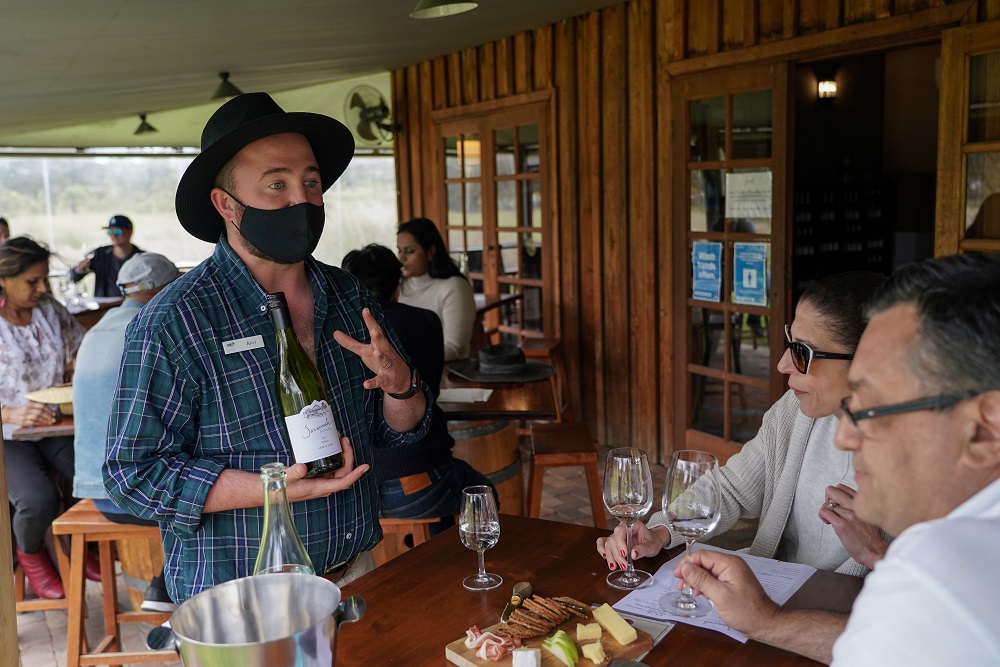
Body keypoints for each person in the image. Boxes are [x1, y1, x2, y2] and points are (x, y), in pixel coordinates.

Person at [103, 92, 432, 604]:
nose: (299, 199)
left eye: (311, 182)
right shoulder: (175, 321)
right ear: (226, 204)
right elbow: (134, 474)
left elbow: (395, 432)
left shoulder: (347, 296)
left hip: (356, 575)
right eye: (276, 184)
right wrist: (273, 487)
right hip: (240, 601)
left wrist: (400, 388)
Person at [674, 254, 1000, 666]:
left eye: (875, 406)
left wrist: (879, 555)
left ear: (985, 427)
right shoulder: (942, 566)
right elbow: (888, 644)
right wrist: (767, 620)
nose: (846, 437)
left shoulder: (944, 572)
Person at [598, 272, 890, 577]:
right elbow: (731, 488)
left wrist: (878, 554)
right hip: (772, 595)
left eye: (802, 352)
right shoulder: (795, 412)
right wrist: (662, 531)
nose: (782, 364)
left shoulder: (922, 469)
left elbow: (933, 599)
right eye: (789, 342)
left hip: (839, 617)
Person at [341, 243, 495, 533]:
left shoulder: (337, 332)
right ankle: (462, 566)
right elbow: (430, 389)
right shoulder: (423, 320)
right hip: (417, 485)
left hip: (355, 494)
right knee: (482, 492)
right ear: (398, 287)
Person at [72, 252, 181, 612]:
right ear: (162, 289)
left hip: (95, 493)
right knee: (230, 493)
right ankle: (178, 593)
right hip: (136, 498)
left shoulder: (96, 330)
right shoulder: (155, 329)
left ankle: (173, 592)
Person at [0, 237, 95, 599]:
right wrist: (10, 412)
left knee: (90, 478)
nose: (42, 289)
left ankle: (76, 548)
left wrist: (75, 376)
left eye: (44, 280)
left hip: (55, 425)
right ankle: (32, 554)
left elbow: (79, 352)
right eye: (32, 282)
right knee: (37, 498)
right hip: (8, 435)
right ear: (3, 279)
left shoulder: (49, 309)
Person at [396, 217, 476, 362]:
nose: (401, 257)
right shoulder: (398, 285)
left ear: (430, 251)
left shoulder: (454, 286)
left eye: (410, 251)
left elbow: (454, 347)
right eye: (399, 250)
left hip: (446, 377)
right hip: (408, 376)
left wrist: (405, 362)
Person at [69, 214, 144, 297]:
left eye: (118, 232)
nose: (113, 236)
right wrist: (79, 269)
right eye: (110, 232)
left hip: (132, 304)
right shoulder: (100, 254)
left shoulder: (142, 258)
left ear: (130, 232)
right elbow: (74, 277)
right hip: (104, 306)